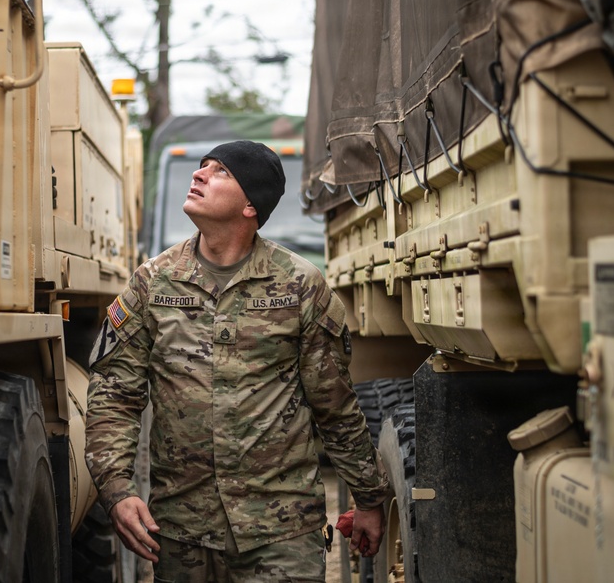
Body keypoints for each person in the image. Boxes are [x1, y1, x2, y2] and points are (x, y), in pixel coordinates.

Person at [86, 140, 389, 581]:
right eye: (202, 166)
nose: (199, 174)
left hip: (281, 534)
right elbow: (114, 392)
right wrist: (116, 489)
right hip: (183, 534)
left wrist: (368, 499)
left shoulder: (299, 285)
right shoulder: (154, 282)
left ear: (251, 205)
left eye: (220, 171)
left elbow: (335, 406)